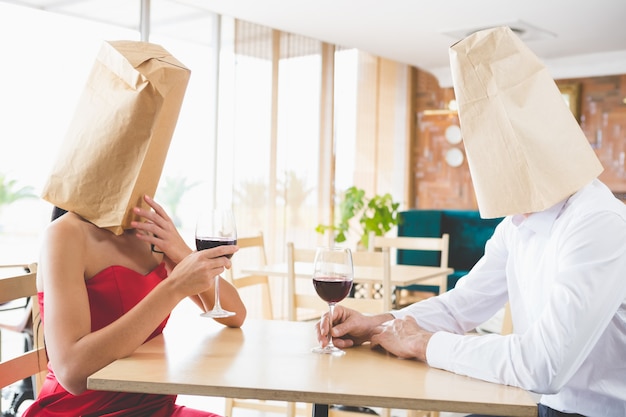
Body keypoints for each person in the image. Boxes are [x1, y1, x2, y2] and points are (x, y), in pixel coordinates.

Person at [315, 27, 626, 417]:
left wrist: (423, 344)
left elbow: (545, 365)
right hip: (535, 404)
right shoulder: (517, 225)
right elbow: (460, 306)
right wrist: (378, 323)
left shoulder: (598, 224)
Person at [22, 40, 247, 416]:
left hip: (155, 407)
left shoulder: (147, 229)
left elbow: (235, 315)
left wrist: (180, 252)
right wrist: (174, 287)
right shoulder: (64, 236)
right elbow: (73, 372)